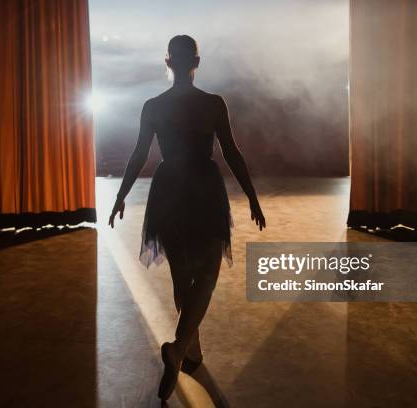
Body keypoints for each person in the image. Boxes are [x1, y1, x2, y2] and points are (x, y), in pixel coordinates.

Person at [108, 34, 265, 402]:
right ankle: (181, 348)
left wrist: (120, 197)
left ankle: (189, 351)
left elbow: (137, 155)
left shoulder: (153, 105)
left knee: (182, 273)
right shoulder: (212, 104)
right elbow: (231, 153)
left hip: (170, 188)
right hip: (203, 188)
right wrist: (253, 197)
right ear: (197, 61)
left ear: (167, 63)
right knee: (207, 272)